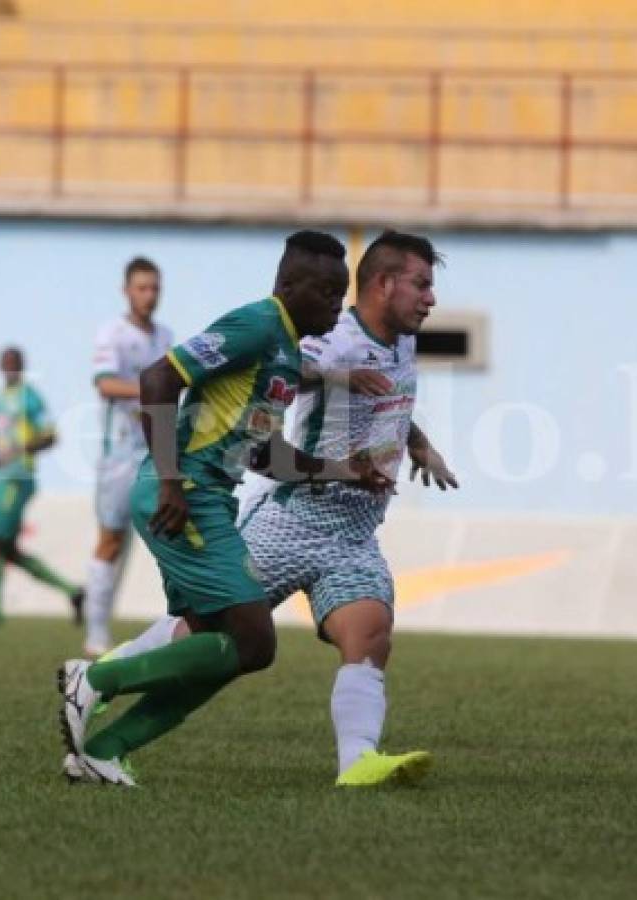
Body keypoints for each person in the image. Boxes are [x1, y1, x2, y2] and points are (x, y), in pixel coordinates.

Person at [83, 230, 458, 787]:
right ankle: (100, 680)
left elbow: (385, 397)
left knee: (371, 633)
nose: (431, 298)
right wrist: (334, 378)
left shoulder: (402, 342)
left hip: (353, 531)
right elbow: (274, 374)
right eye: (421, 284)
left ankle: (357, 763)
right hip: (290, 516)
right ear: (383, 284)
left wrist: (415, 440)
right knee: (215, 635)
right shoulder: (329, 338)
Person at [84, 257, 174, 658]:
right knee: (111, 540)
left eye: (154, 288)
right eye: (142, 288)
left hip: (156, 453)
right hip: (120, 452)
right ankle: (96, 631)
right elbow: (105, 384)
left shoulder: (165, 336)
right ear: (126, 291)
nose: (149, 295)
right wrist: (151, 389)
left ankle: (176, 626)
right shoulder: (113, 333)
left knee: (171, 536)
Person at [0, 347, 85, 626]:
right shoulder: (0, 399)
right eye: (4, 362)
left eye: (13, 362)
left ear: (22, 365)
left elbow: (51, 436)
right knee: (7, 551)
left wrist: (24, 448)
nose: (8, 367)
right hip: (0, 477)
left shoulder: (30, 397)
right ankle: (73, 592)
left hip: (17, 479)